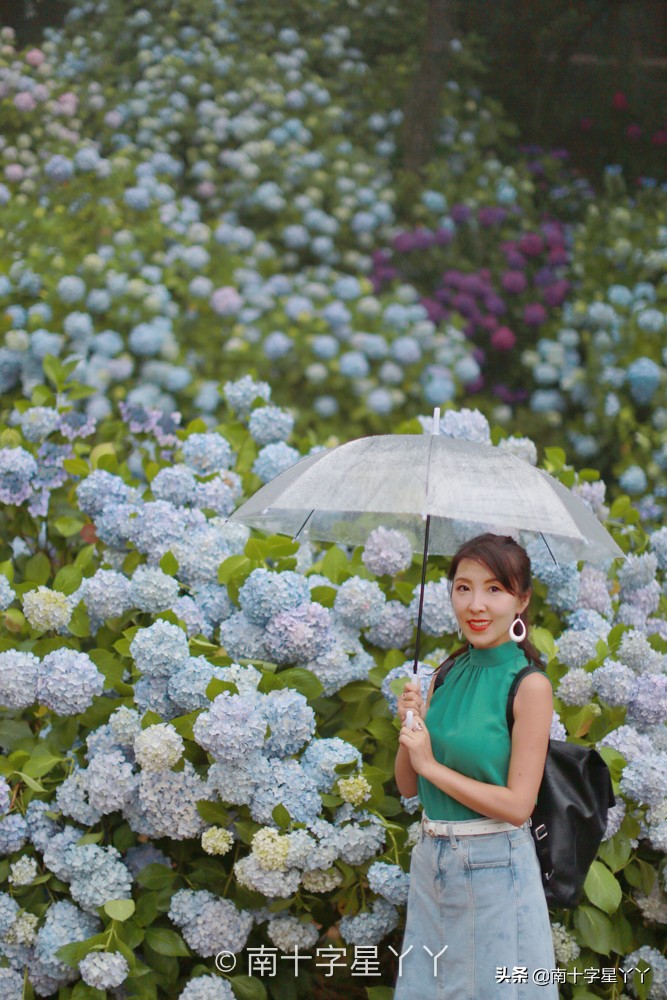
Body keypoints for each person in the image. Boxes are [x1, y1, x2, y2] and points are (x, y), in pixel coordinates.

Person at [393, 532, 558, 1000]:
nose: (475, 604)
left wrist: (430, 764)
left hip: (494, 868)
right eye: (463, 588)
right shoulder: (446, 673)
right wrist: (412, 725)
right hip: (432, 863)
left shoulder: (529, 686)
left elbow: (517, 806)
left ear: (521, 600)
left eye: (494, 589)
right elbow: (408, 784)